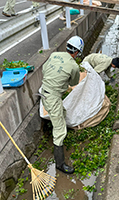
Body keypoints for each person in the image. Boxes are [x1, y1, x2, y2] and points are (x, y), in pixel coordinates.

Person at [41, 36, 84, 174]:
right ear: (77, 52)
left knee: (62, 113)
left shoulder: (54, 55)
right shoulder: (74, 66)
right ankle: (60, 164)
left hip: (44, 91)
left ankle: (59, 126)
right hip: (52, 97)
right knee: (59, 132)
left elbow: (44, 70)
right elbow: (73, 83)